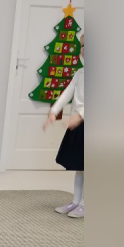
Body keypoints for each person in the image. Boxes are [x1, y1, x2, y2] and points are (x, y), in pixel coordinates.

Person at [43, 32, 84, 218]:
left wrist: (80, 115)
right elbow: (67, 92)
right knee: (80, 167)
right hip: (78, 125)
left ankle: (85, 204)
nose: (85, 49)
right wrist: (54, 111)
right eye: (83, 46)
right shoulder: (79, 73)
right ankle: (75, 201)